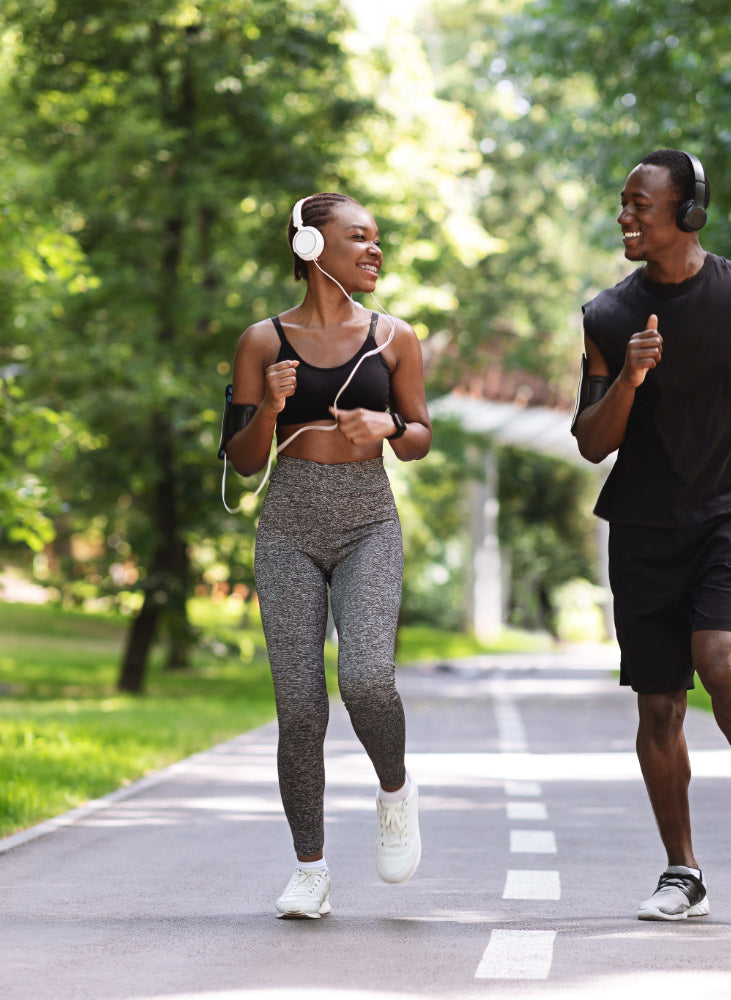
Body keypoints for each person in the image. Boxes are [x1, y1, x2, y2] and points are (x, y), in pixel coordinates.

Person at [572, 150, 731, 921]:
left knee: (721, 659)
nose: (625, 216)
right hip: (644, 522)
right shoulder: (607, 316)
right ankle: (682, 871)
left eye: (640, 204)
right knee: (659, 708)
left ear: (688, 213)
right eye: (622, 203)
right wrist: (627, 378)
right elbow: (591, 441)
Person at [220, 192, 431, 918]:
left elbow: (423, 434)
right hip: (288, 527)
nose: (374, 251)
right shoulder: (261, 341)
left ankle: (395, 792)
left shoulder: (394, 337)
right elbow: (243, 463)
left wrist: (391, 424)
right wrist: (271, 410)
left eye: (378, 239)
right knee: (300, 706)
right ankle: (310, 869)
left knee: (368, 678)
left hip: (368, 519)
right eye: (359, 238)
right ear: (311, 246)